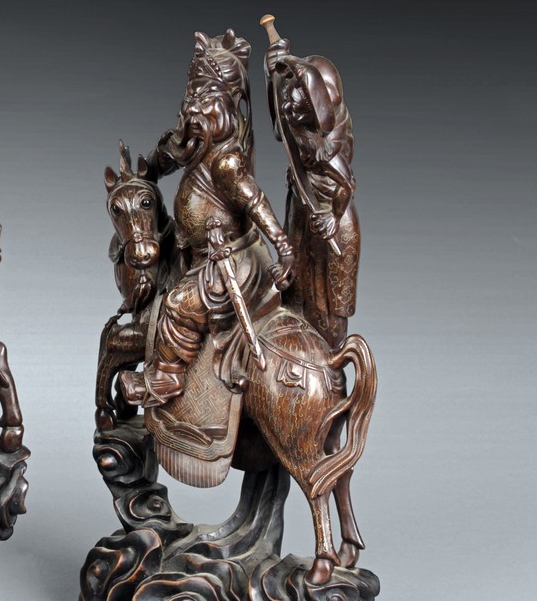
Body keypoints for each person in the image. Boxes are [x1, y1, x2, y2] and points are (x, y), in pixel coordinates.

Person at [119, 31, 293, 407]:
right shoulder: (197, 143)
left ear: (230, 104)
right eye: (192, 97)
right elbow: (164, 156)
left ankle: (165, 377)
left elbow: (256, 203)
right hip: (195, 254)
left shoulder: (227, 161)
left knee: (177, 305)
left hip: (230, 260)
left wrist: (284, 248)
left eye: (208, 98)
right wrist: (149, 169)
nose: (196, 108)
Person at [265, 38, 359, 346]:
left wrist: (334, 216)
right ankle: (297, 357)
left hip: (332, 215)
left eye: (296, 106)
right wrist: (272, 76)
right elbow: (280, 127)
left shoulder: (328, 145)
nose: (289, 109)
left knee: (327, 302)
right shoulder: (297, 115)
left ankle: (329, 364)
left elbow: (347, 184)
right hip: (302, 204)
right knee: (294, 286)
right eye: (289, 102)